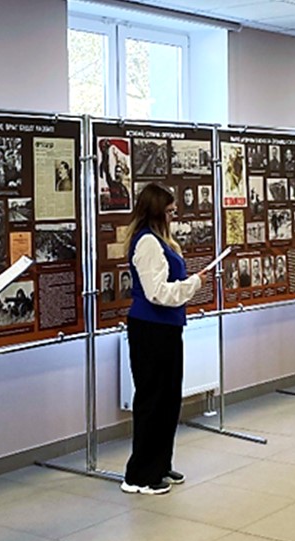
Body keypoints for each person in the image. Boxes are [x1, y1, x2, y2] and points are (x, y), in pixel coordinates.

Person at [122, 184, 207, 495]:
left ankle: (159, 463)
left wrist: (189, 283)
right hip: (150, 329)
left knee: (169, 398)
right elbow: (157, 292)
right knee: (152, 399)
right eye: (169, 211)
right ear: (157, 212)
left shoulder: (162, 241)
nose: (173, 216)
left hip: (167, 328)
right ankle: (139, 475)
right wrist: (193, 284)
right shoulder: (147, 242)